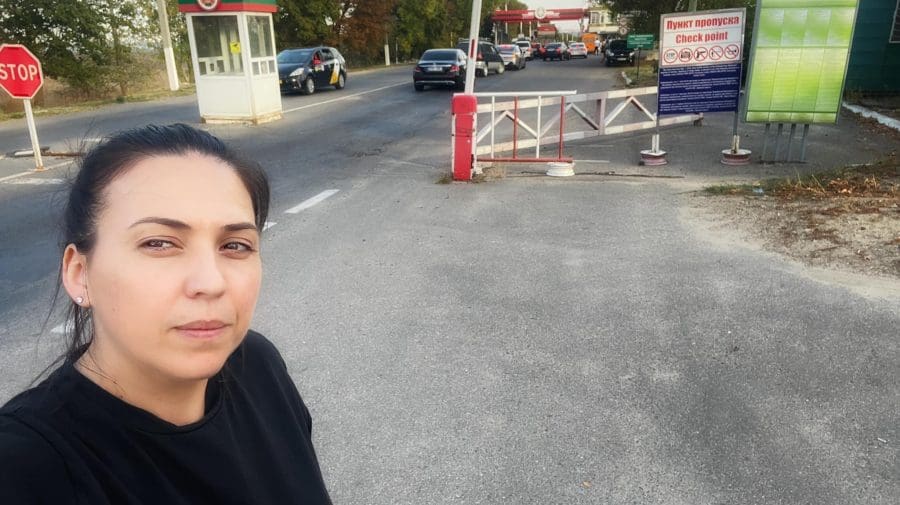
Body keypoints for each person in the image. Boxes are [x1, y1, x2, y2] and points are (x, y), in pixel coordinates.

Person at [0, 124, 332, 504]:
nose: (210, 282)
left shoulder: (258, 367)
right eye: (158, 243)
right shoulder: (24, 469)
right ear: (80, 273)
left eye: (235, 245)